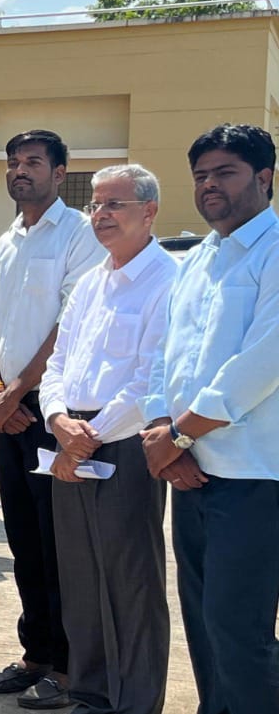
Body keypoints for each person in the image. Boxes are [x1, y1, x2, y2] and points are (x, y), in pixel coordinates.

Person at [141, 124, 279, 714]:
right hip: (191, 471)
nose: (209, 185)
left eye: (225, 172)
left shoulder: (274, 252)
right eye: (201, 175)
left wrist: (177, 435)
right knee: (201, 623)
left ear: (265, 178)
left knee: (238, 629)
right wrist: (161, 432)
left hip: (252, 475)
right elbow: (163, 356)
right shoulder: (195, 260)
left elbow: (261, 363)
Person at [0, 129, 107, 709]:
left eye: (32, 162)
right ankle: (36, 655)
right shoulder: (5, 243)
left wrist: (19, 392)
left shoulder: (80, 233)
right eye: (12, 162)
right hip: (10, 414)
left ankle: (73, 667)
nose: (20, 171)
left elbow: (70, 324)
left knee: (62, 546)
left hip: (56, 412)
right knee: (25, 540)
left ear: (60, 173)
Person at [38, 165, 175, 714]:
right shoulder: (91, 282)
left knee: (131, 581)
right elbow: (58, 362)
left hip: (125, 442)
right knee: (81, 577)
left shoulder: (167, 279)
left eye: (115, 204)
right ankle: (91, 694)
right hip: (71, 437)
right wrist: (57, 419)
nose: (100, 215)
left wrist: (86, 438)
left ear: (149, 211)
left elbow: (152, 378)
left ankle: (136, 702)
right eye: (95, 204)